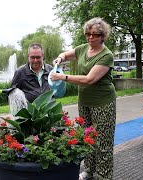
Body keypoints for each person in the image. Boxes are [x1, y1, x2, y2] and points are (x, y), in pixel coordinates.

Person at [51, 17, 116, 180]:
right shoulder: (83, 49)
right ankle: (88, 170)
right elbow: (66, 54)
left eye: (94, 34)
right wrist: (60, 58)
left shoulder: (106, 55)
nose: (90, 37)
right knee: (86, 137)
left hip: (103, 102)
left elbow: (89, 79)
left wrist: (63, 77)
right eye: (88, 34)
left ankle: (104, 175)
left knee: (103, 142)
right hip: (84, 101)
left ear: (102, 36)